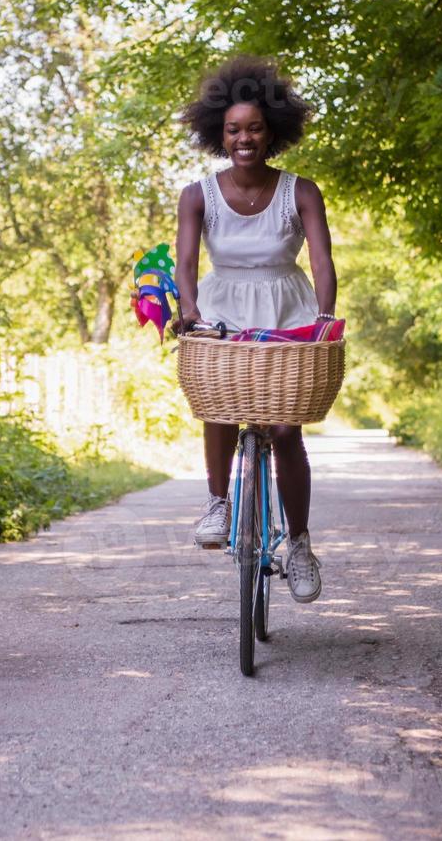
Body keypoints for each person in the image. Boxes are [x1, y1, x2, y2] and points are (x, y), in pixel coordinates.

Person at [172, 56, 337, 603]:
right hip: (222, 308)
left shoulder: (301, 191)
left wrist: (323, 319)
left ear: (273, 133)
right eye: (234, 130)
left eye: (255, 128)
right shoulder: (199, 195)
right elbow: (187, 264)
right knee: (218, 404)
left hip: (287, 307)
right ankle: (219, 502)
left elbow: (322, 261)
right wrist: (189, 308)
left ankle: (300, 544)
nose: (245, 138)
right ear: (220, 135)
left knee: (287, 430)